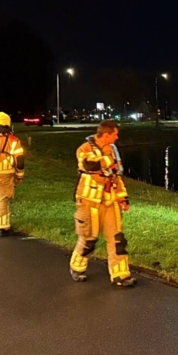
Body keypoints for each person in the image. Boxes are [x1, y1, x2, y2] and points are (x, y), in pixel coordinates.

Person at [69, 120, 135, 287]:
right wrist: (108, 162)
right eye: (115, 134)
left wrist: (123, 197)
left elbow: (115, 176)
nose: (117, 137)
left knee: (117, 238)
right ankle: (77, 267)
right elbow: (90, 165)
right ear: (106, 134)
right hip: (89, 201)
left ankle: (120, 275)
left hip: (109, 200)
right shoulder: (84, 149)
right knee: (88, 238)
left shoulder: (113, 150)